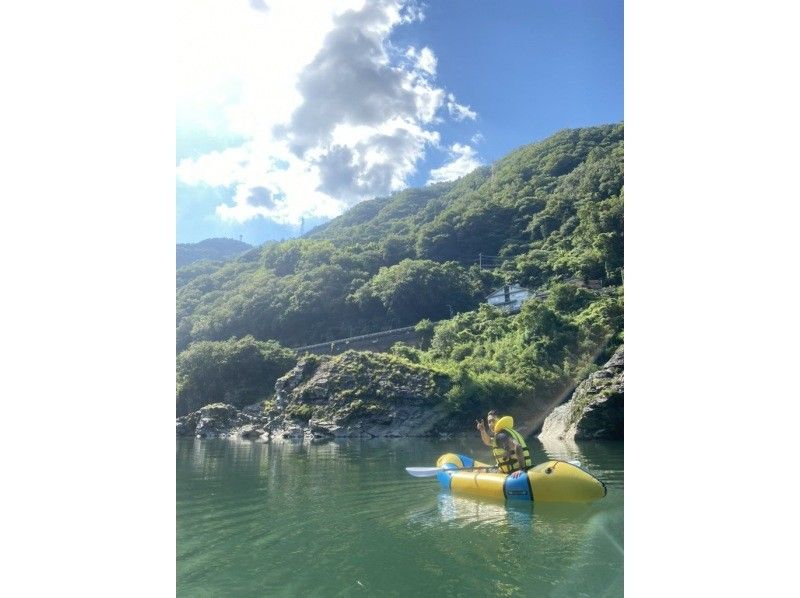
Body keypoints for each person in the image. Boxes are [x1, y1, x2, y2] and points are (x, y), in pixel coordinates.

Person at [476, 411, 532, 478]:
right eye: (489, 422)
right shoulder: (505, 432)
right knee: (482, 469)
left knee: (478, 472)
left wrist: (521, 470)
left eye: (493, 421)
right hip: (526, 467)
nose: (491, 424)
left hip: (516, 471)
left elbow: (517, 446)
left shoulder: (501, 435)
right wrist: (482, 431)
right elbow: (488, 441)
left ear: (499, 420)